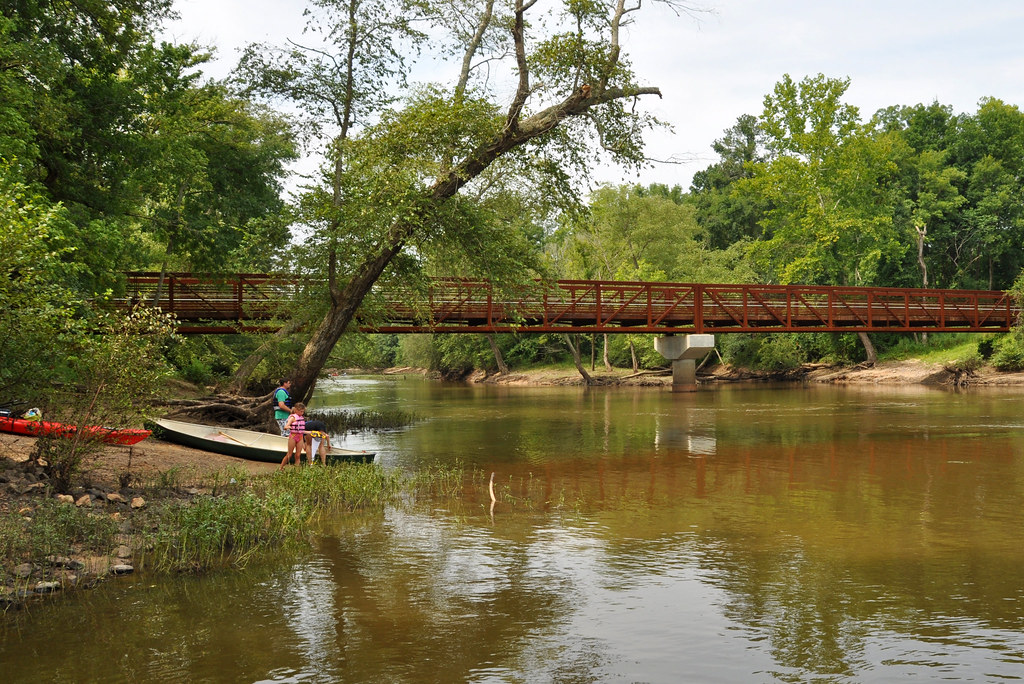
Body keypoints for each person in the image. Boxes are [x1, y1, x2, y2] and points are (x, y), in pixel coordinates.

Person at [280, 402, 306, 469]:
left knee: (298, 455)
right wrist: (287, 427)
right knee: (289, 454)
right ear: (296, 410)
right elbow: (286, 426)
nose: (302, 413)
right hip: (293, 436)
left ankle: (296, 470)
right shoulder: (292, 417)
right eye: (301, 411)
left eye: (303, 412)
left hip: (300, 437)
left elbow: (302, 431)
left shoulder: (301, 417)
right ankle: (281, 467)